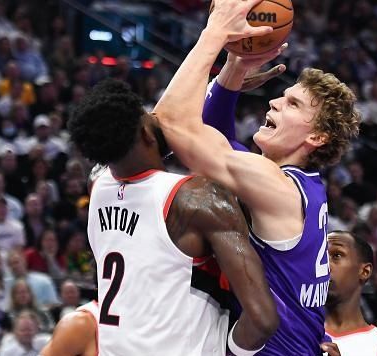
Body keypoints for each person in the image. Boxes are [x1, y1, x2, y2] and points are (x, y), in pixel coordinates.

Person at [153, 0, 360, 354]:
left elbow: (170, 123)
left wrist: (215, 33)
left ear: (317, 137)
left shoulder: (275, 187)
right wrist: (234, 69)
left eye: (293, 104)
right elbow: (214, 134)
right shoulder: (295, 184)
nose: (274, 102)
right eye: (283, 96)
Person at [67, 77, 279, 354]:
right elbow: (263, 320)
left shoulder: (97, 183)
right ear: (145, 133)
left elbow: (147, 135)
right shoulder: (197, 199)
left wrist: (221, 86)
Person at [325, 231, 377, 355]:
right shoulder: (293, 335)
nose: (324, 264)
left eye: (337, 255)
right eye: (321, 257)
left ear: (365, 271)